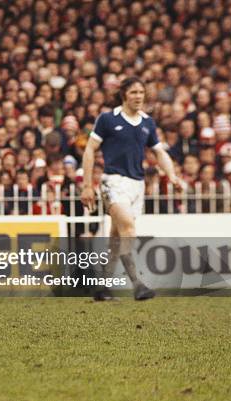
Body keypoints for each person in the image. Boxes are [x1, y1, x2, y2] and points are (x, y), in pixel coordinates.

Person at [81, 76, 180, 301]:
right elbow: (89, 150)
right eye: (134, 92)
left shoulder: (147, 123)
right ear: (124, 94)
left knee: (116, 238)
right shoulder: (107, 119)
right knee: (128, 228)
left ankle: (103, 287)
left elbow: (159, 152)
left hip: (137, 185)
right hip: (113, 181)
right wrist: (87, 185)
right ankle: (138, 284)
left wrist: (172, 175)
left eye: (141, 92)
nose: (138, 97)